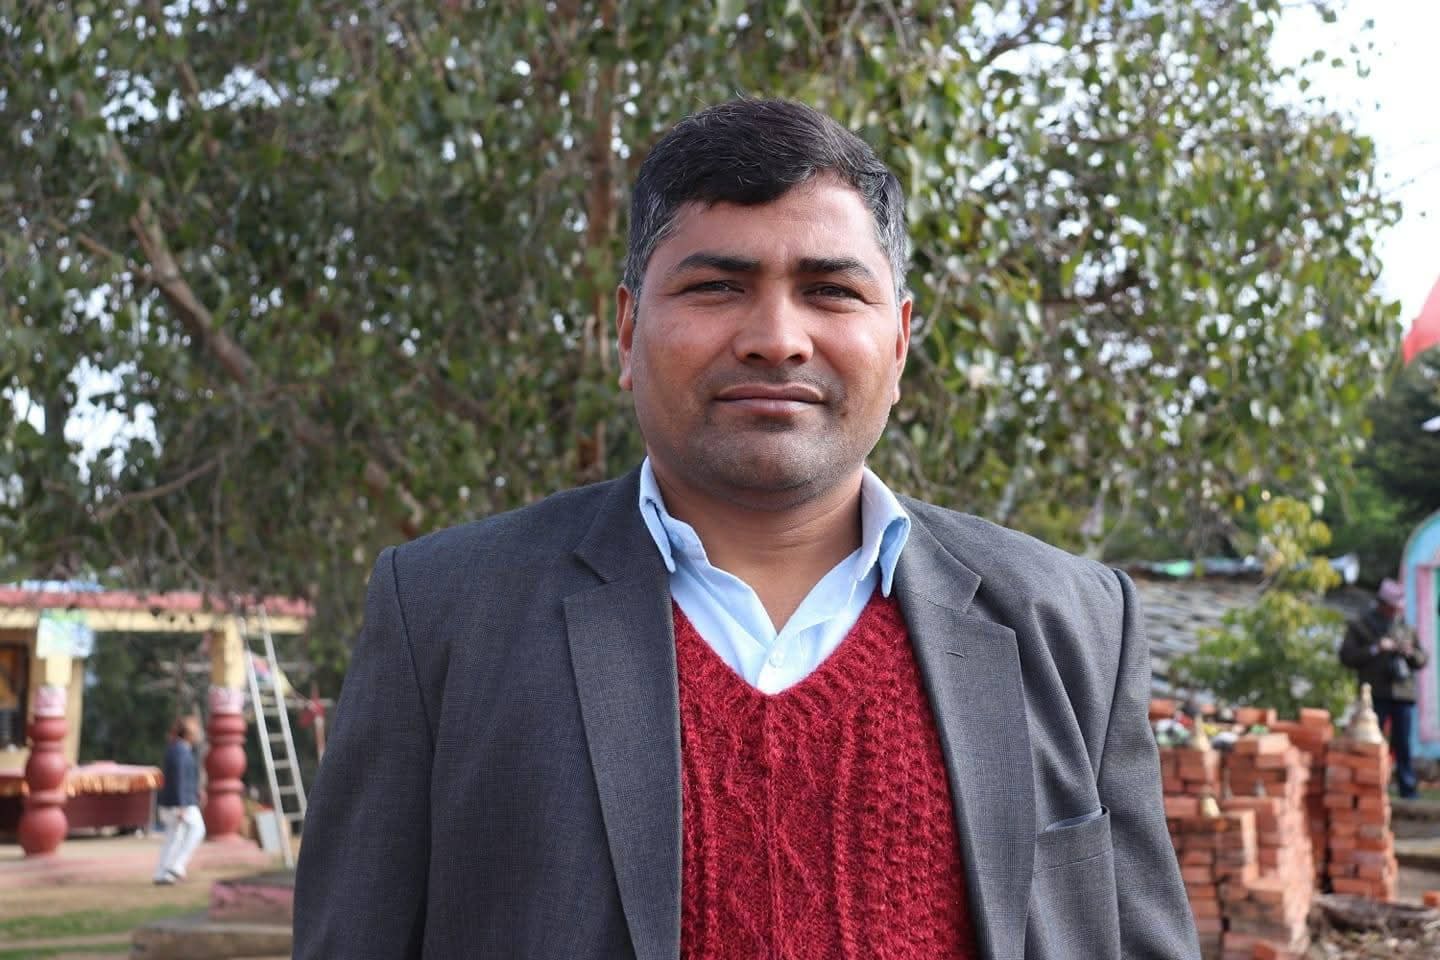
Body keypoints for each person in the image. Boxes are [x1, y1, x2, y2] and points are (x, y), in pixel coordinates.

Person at [293, 98, 1199, 960]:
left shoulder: (1072, 622)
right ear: (626, 330)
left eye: (830, 290)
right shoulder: (445, 616)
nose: (777, 338)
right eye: (718, 286)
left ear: (898, 342)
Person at [1341, 577, 1428, 798]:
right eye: (1391, 607)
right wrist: (1375, 649)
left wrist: (1409, 652)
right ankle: (1369, 787)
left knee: (1403, 744)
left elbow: (1422, 659)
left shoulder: (1405, 628)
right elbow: (1346, 656)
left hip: (1402, 694)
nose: (1395, 611)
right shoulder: (1362, 626)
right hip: (1374, 695)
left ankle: (1408, 789)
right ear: (1382, 604)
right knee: (1369, 743)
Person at [153, 714, 205, 884]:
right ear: (189, 734)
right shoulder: (180, 751)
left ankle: (162, 874)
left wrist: (196, 791)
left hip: (173, 802)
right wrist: (182, 805)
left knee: (173, 838)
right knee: (197, 829)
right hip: (180, 803)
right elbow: (179, 779)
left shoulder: (176, 749)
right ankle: (177, 865)